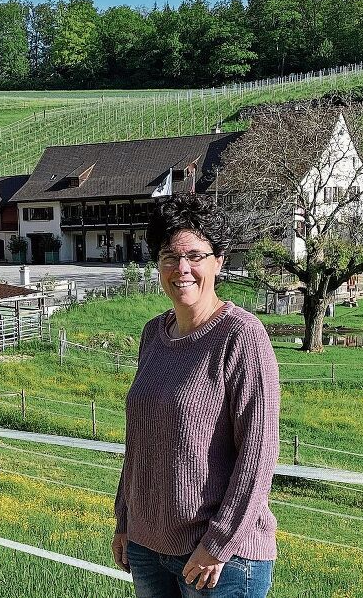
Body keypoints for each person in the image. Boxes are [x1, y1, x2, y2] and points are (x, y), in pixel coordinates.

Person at [111, 193, 280, 597]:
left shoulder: (242, 337)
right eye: (170, 256)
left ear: (219, 260)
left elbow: (258, 454)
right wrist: (125, 520)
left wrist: (217, 545)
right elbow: (140, 442)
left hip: (220, 562)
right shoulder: (153, 334)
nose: (181, 269)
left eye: (195, 256)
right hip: (148, 550)